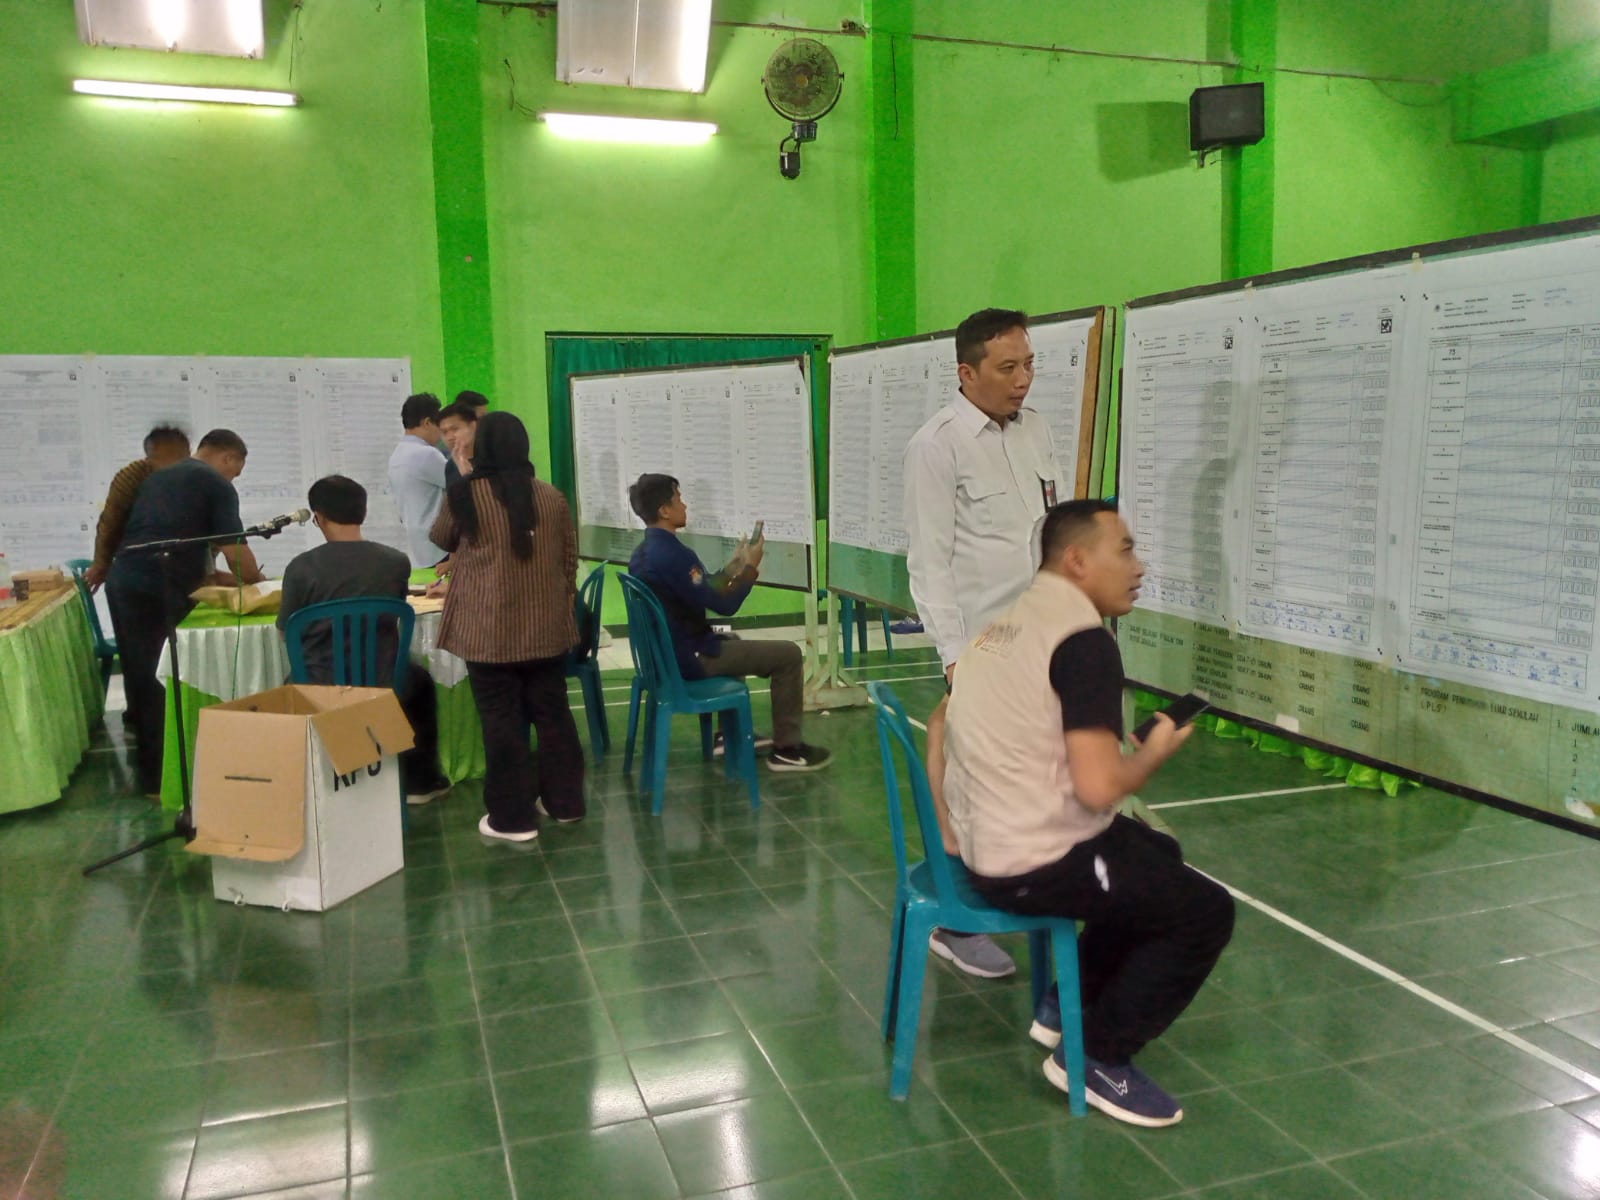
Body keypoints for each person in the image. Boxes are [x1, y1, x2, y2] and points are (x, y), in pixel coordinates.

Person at [946, 500, 1234, 1128]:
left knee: (1157, 854)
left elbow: (956, 722)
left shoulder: (1007, 623)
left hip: (988, 838)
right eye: (1126, 549)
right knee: (1207, 913)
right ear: (1077, 560)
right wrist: (1150, 756)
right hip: (1029, 860)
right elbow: (1102, 788)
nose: (1140, 566)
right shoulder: (1084, 643)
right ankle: (1098, 1057)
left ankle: (1061, 1007)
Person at [903, 307, 1067, 980]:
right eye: (1008, 368)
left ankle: (1020, 884)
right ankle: (952, 918)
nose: (1023, 380)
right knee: (975, 783)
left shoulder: (1037, 430)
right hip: (980, 649)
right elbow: (929, 560)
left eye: (1028, 364)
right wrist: (951, 656)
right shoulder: (936, 445)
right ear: (967, 372)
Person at [429, 412, 585, 842]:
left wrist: (462, 479)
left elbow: (441, 537)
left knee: (502, 722)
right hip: (547, 632)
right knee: (553, 714)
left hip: (489, 634)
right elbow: (568, 561)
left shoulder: (468, 496)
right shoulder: (552, 497)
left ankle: (512, 819)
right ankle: (565, 803)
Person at [627, 473, 829, 772]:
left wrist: (733, 566)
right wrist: (750, 568)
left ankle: (727, 736)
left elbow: (702, 587)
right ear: (664, 511)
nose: (685, 505)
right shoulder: (674, 554)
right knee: (787, 655)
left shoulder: (645, 552)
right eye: (678, 499)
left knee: (731, 642)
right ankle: (787, 750)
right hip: (689, 659)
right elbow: (724, 604)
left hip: (668, 654)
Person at [105, 429, 266, 794]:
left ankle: (154, 776)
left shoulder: (163, 477)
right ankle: (172, 777)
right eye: (236, 470)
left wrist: (214, 577)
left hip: (125, 582)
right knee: (165, 681)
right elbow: (234, 548)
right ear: (229, 458)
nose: (234, 478)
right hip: (155, 586)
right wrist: (257, 583)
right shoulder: (216, 484)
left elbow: (176, 536)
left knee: (143, 679)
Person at [276, 475, 450, 804]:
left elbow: (287, 631)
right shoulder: (394, 563)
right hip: (382, 681)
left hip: (316, 685)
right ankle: (421, 783)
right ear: (364, 513)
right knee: (420, 681)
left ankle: (311, 789)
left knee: (285, 685)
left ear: (318, 518)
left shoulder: (300, 568)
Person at [86, 425, 191, 590]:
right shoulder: (131, 477)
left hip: (181, 568)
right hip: (134, 568)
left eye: (179, 460)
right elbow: (110, 522)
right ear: (149, 459)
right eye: (164, 459)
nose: (173, 470)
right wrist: (101, 564)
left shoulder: (197, 478)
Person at [387, 393, 450, 570]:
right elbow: (462, 485)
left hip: (417, 544)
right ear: (427, 422)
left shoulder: (398, 454)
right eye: (441, 426)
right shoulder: (426, 454)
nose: (442, 434)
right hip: (439, 546)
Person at [438, 394, 487, 488]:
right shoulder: (450, 465)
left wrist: (468, 476)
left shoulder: (491, 458)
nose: (450, 437)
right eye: (444, 432)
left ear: (472, 426)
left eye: (455, 429)